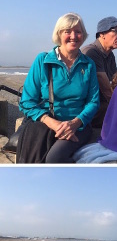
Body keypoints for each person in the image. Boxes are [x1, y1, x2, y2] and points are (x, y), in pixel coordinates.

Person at [19, 12, 100, 163]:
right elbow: (26, 101)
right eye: (67, 31)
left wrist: (75, 123)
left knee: (54, 158)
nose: (73, 36)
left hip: (79, 126)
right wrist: (53, 123)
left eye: (78, 31)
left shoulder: (88, 64)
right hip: (47, 123)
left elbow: (93, 101)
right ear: (59, 34)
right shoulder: (43, 61)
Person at [82, 16, 117, 128]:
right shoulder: (91, 52)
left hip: (99, 104)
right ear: (101, 34)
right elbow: (107, 91)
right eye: (116, 32)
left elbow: (116, 83)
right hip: (87, 107)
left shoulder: (109, 54)